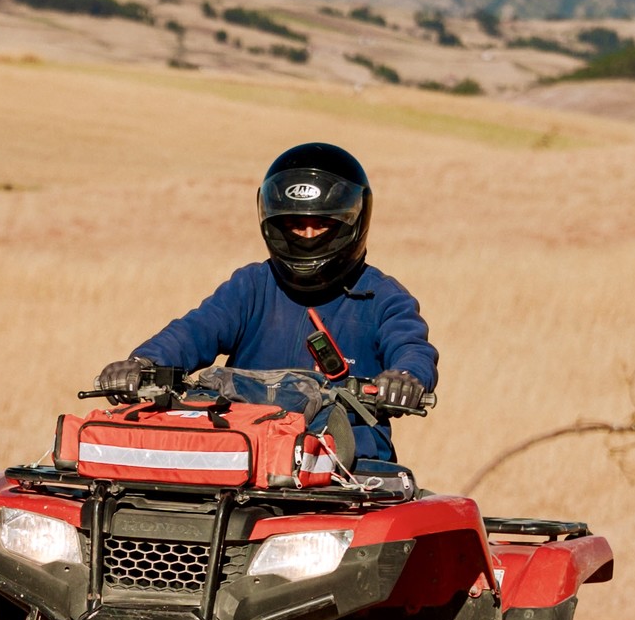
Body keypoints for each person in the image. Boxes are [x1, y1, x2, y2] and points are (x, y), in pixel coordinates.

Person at [94, 142, 439, 460]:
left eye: (321, 225)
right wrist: (143, 363)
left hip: (347, 471)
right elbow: (194, 330)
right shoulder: (252, 286)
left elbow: (412, 349)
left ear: (351, 223)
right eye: (295, 225)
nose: (307, 236)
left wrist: (405, 378)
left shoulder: (382, 298)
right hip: (249, 460)